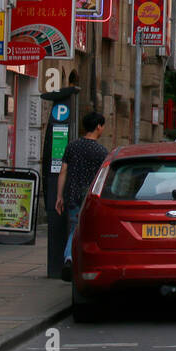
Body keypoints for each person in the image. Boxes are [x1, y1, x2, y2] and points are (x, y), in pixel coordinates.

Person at [55, 112, 109, 281]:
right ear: (98, 126)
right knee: (88, 231)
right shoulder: (102, 151)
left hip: (72, 194)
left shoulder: (72, 146)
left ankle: (70, 259)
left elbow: (63, 171)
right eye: (103, 126)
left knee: (73, 229)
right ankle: (79, 261)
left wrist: (59, 196)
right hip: (91, 197)